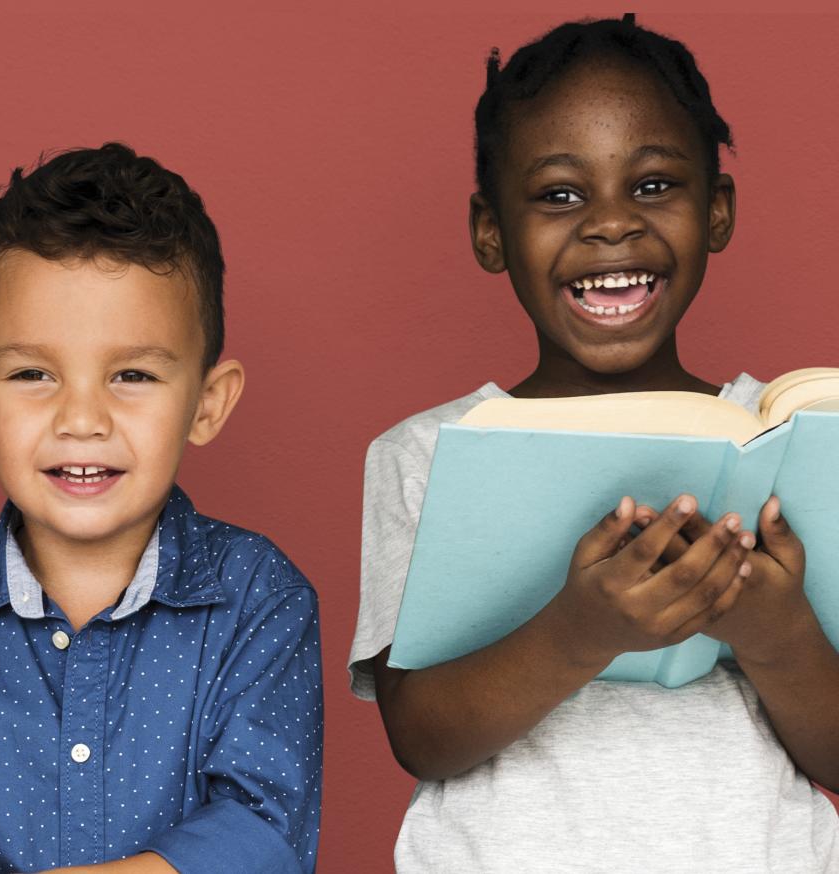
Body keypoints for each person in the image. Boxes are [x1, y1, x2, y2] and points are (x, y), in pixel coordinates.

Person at [351, 15, 839, 871]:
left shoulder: (795, 436)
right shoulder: (428, 453)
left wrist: (777, 633)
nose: (611, 225)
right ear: (490, 230)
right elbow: (421, 736)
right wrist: (579, 630)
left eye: (654, 186)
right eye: (560, 194)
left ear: (717, 211)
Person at [0, 143, 323, 873]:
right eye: (33, 374)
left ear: (208, 404)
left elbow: (263, 824)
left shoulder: (257, 598)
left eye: (132, 374)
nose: (82, 418)